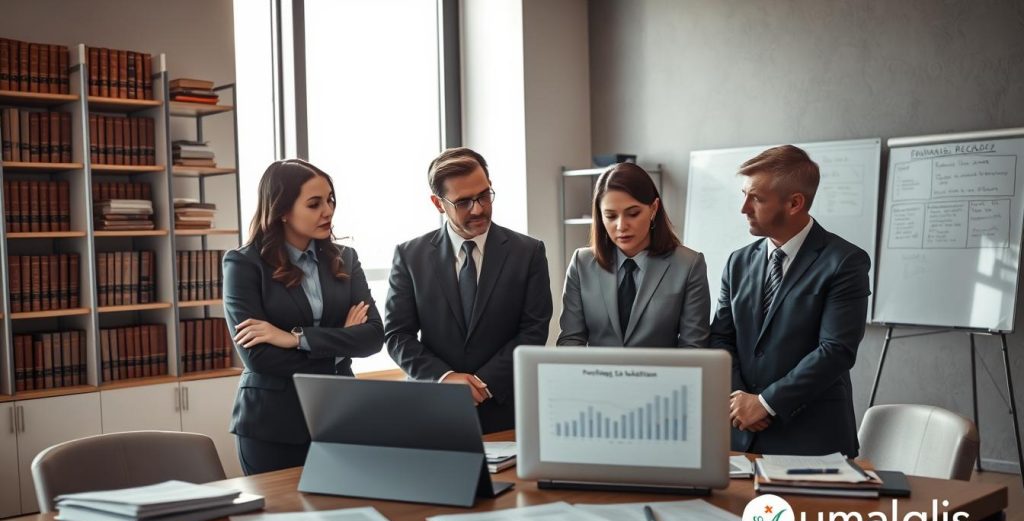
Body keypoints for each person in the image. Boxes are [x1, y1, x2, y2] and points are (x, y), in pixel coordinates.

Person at [223, 159, 383, 475]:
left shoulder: (345, 259)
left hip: (341, 415)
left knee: (346, 504)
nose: (328, 211)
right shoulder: (244, 265)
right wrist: (341, 345)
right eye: (314, 204)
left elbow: (374, 336)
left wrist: (295, 339)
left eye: (330, 200)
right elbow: (259, 358)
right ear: (282, 210)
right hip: (273, 426)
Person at [710, 145, 870, 457]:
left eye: (756, 198)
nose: (744, 208)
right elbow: (720, 337)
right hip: (740, 434)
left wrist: (766, 403)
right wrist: (740, 399)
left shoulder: (845, 261)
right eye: (744, 195)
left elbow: (835, 350)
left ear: (795, 203)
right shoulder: (737, 262)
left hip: (812, 441)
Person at [384, 147, 552, 433]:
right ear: (438, 204)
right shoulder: (410, 255)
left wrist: (482, 384)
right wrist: (445, 377)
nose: (478, 208)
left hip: (505, 410)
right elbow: (398, 335)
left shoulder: (529, 252)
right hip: (432, 408)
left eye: (484, 195)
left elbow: (533, 331)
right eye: (463, 202)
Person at [557, 162, 710, 347]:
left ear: (653, 208)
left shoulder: (688, 265)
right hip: (595, 367)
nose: (621, 226)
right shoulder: (581, 263)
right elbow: (570, 340)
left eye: (633, 213)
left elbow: (693, 348)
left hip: (663, 368)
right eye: (611, 216)